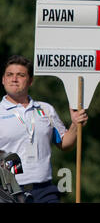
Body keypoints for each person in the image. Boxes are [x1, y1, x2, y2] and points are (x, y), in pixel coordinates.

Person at [0, 55, 88, 203]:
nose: (14, 79)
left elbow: (65, 144)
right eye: (9, 75)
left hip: (45, 190)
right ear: (3, 80)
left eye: (20, 75)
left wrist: (74, 124)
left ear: (30, 81)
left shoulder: (46, 109)